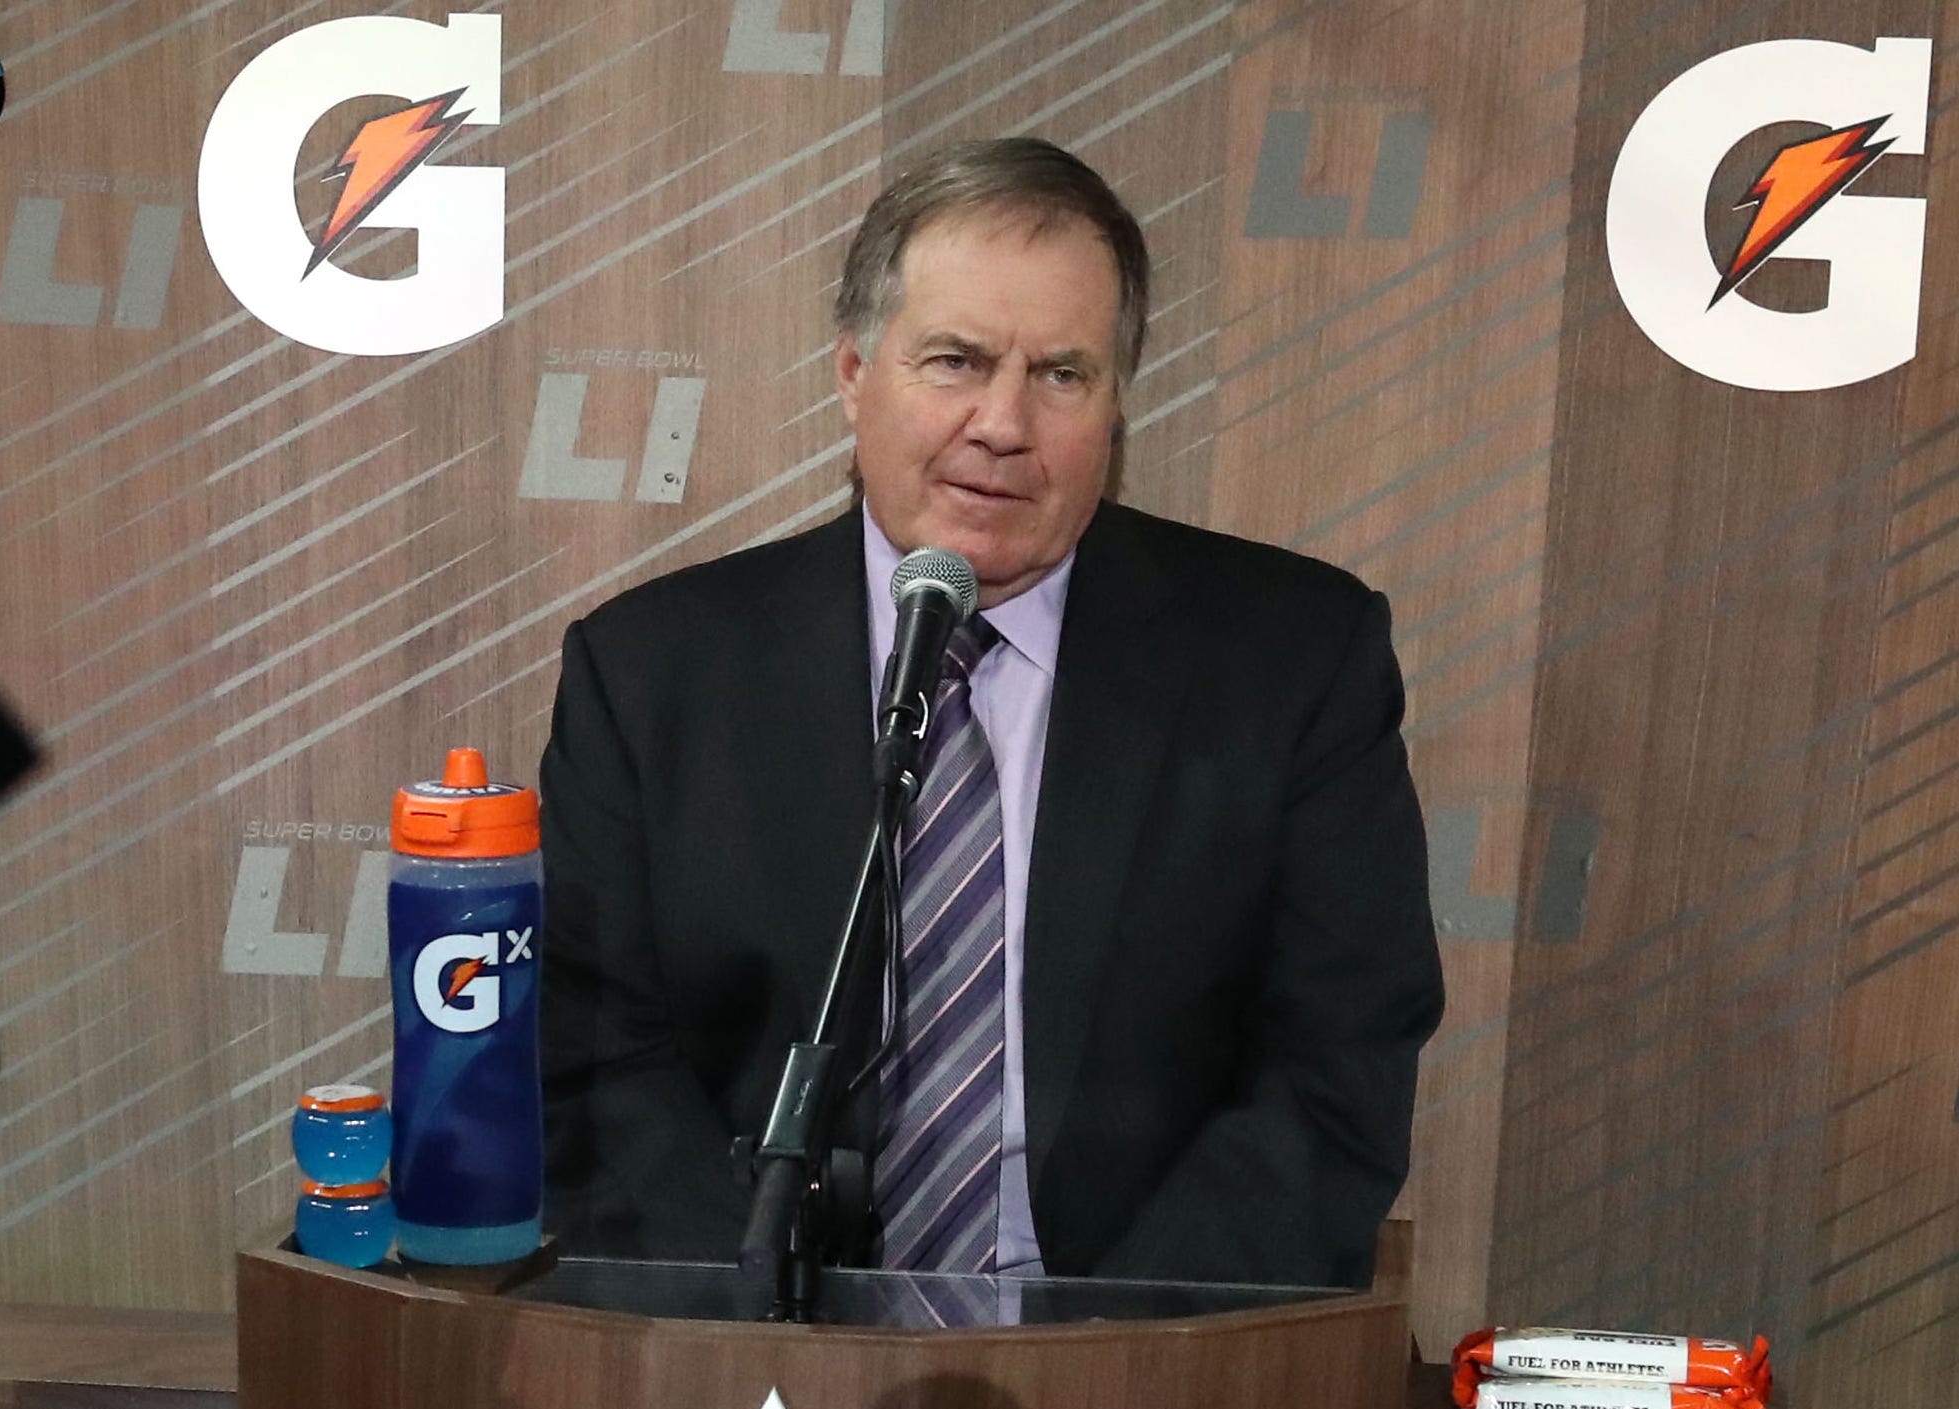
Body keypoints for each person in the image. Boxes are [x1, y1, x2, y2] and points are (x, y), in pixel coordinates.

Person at [538, 137, 1444, 1288]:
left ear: (1115, 405)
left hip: (1147, 1362)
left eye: (1060, 375)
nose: (1002, 424)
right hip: (750, 1360)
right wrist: (760, 1331)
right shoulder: (654, 673)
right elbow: (595, 1058)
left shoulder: (1292, 659)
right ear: (853, 371)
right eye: (954, 361)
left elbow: (1338, 1058)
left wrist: (1106, 1358)